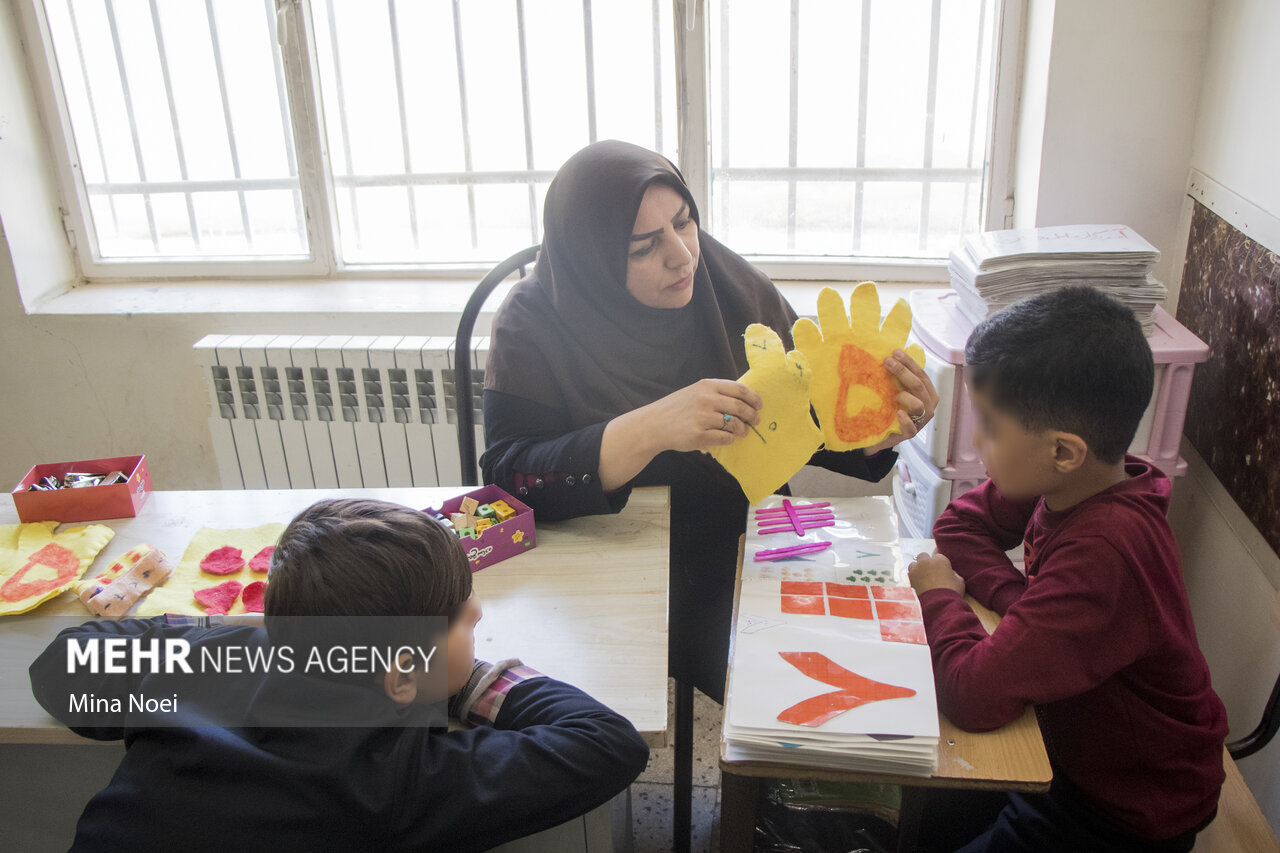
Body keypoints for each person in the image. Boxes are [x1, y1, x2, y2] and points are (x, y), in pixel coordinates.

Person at [482, 139, 939, 704]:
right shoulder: (534, 320)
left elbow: (804, 423)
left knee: (820, 687)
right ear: (590, 259)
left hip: (736, 541)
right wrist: (651, 427)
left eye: (685, 222)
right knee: (768, 690)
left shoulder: (729, 287)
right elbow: (511, 477)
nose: (682, 256)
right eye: (644, 246)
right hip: (600, 559)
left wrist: (878, 429)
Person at [29, 498, 649, 853]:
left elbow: (60, 663)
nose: (479, 613)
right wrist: (465, 678)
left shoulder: (202, 671)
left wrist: (240, 636)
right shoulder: (399, 777)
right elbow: (607, 742)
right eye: (463, 617)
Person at [907, 287, 1228, 853]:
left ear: (1063, 450)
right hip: (1064, 752)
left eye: (990, 426)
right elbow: (959, 528)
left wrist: (940, 597)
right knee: (925, 807)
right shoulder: (1076, 480)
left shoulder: (1107, 552)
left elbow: (972, 695)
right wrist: (1019, 603)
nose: (977, 442)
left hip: (1123, 812)